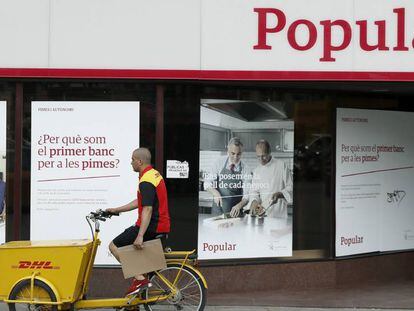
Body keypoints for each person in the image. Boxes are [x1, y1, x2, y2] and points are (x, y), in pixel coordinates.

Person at [106, 147, 170, 296]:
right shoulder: (153, 175)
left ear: (139, 161)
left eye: (132, 160)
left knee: (114, 246)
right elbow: (140, 201)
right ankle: (139, 289)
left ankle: (140, 280)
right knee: (136, 257)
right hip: (160, 224)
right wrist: (117, 210)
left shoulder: (146, 180)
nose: (131, 163)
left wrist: (140, 235)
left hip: (151, 226)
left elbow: (147, 209)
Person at [204, 137, 251, 217]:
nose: (236, 157)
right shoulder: (219, 162)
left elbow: (247, 195)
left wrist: (239, 206)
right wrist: (215, 193)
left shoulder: (246, 169)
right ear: (228, 151)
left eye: (239, 154)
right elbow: (207, 183)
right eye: (233, 153)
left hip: (235, 213)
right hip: (218, 211)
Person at [249, 139, 293, 218]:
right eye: (258, 156)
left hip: (280, 215)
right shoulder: (257, 171)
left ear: (269, 152)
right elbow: (254, 192)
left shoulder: (281, 165)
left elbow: (291, 187)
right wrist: (254, 201)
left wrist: (280, 194)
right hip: (263, 215)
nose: (261, 159)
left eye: (264, 156)